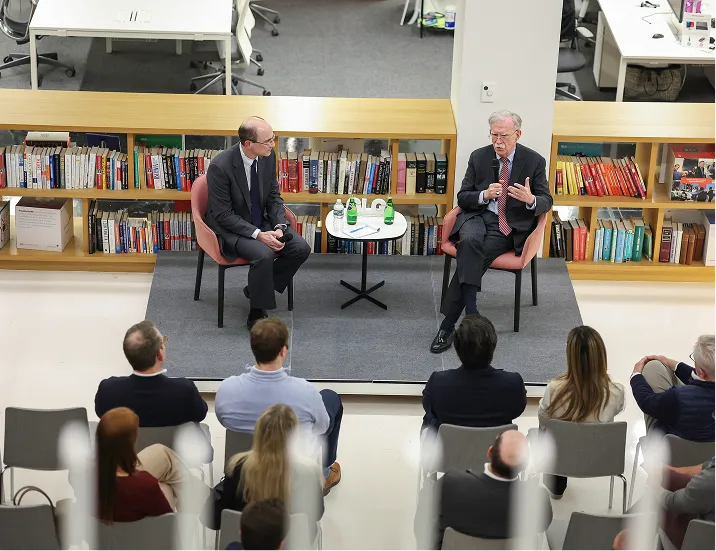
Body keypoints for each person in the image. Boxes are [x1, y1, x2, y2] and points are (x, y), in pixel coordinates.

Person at [430, 110, 553, 353]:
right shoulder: (479, 157)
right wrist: (484, 195)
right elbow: (463, 197)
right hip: (477, 216)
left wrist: (531, 200)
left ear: (518, 134)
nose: (498, 142)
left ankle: (448, 324)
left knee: (471, 249)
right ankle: (472, 314)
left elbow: (547, 200)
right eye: (494, 135)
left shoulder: (534, 161)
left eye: (504, 136)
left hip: (508, 225)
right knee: (469, 239)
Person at [205, 116, 311, 331]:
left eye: (273, 139)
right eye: (268, 141)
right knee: (264, 254)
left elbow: (273, 197)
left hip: (261, 221)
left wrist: (279, 226)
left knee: (301, 248)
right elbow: (223, 215)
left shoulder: (267, 157)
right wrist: (258, 235)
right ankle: (256, 309)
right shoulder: (220, 166)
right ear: (248, 144)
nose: (273, 145)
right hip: (231, 228)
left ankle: (255, 289)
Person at [215, 318, 343, 493]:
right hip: (294, 481)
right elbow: (322, 427)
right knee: (330, 398)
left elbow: (223, 419)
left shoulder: (227, 388)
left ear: (253, 349)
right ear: (283, 351)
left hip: (243, 475)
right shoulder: (305, 391)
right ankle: (325, 473)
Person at [415, 430, 552, 551]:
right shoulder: (538, 500)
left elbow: (424, 524)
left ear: (490, 452)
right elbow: (541, 526)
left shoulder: (451, 484)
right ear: (525, 464)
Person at [205, 404, 323, 541]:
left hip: (245, 544)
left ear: (258, 433)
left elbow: (217, 518)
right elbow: (316, 513)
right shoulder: (309, 471)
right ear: (295, 436)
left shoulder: (239, 467)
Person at [538, 326, 625, 499]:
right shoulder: (616, 391)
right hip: (599, 457)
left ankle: (556, 488)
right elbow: (617, 410)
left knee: (548, 434)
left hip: (561, 457)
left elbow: (543, 421)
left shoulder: (554, 390)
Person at [96, 407, 209, 522]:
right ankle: (205, 500)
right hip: (145, 537)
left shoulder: (84, 478)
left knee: (161, 453)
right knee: (167, 487)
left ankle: (201, 498)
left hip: (105, 535)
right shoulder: (146, 485)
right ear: (130, 443)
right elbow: (166, 525)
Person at [422, 315, 526, 431]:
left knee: (429, 420)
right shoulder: (513, 384)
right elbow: (517, 410)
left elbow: (429, 406)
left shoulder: (437, 383)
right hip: (496, 447)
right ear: (493, 346)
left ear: (457, 348)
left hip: (452, 448)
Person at [95, 320, 208, 427]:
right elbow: (200, 414)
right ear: (159, 353)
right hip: (169, 447)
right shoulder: (185, 390)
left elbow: (101, 413)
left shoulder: (108, 390)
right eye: (163, 342)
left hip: (127, 447)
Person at [631, 335, 716, 442]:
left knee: (652, 367)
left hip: (671, 454)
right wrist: (674, 364)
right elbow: (704, 381)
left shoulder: (678, 397)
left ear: (700, 372)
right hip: (709, 455)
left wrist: (636, 376)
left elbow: (646, 401)